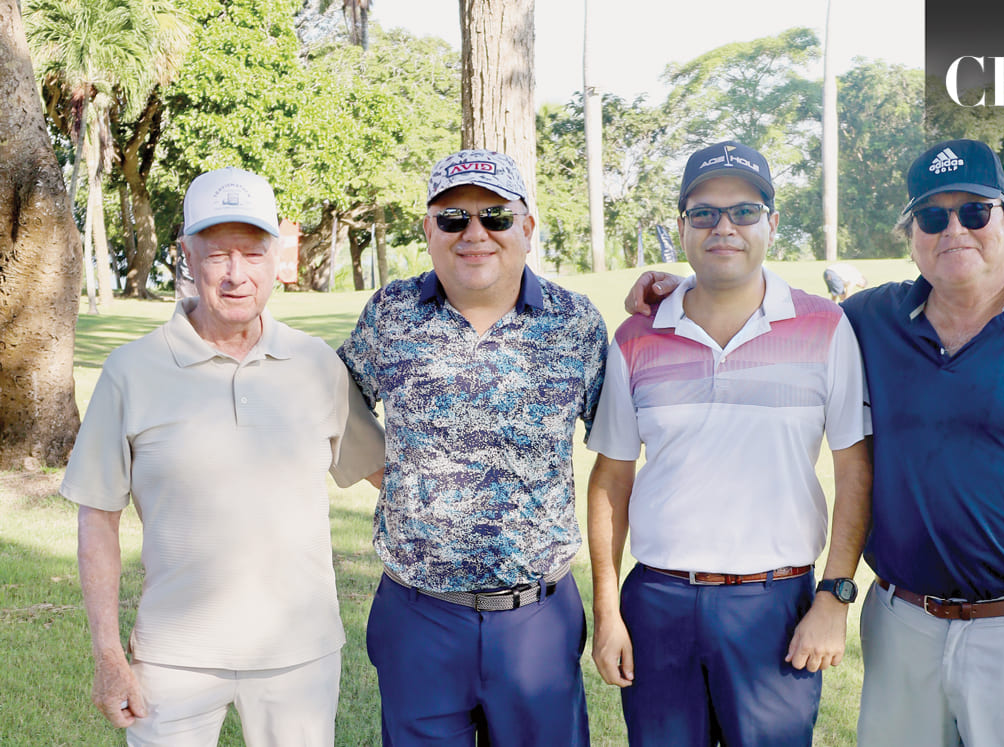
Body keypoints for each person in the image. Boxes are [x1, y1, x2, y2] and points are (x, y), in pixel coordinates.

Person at [624, 138, 1004, 746]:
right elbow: (761, 299)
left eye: (975, 212)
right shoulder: (869, 321)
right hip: (905, 624)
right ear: (912, 236)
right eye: (933, 217)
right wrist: (684, 285)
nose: (954, 229)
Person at [61, 167, 386, 746]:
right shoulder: (129, 373)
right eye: (218, 254)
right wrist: (109, 653)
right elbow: (98, 518)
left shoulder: (317, 366)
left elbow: (389, 476)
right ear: (187, 254)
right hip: (173, 658)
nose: (237, 274)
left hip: (301, 654)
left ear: (278, 255)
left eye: (253, 253)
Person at [588, 141, 873, 746]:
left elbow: (855, 470)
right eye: (705, 213)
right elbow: (611, 478)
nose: (725, 227)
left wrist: (835, 598)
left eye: (744, 212)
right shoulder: (637, 335)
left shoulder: (825, 327)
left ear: (772, 223)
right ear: (682, 227)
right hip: (658, 602)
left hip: (777, 606)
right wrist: (608, 613)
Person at [337, 149, 607, 746]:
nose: (475, 233)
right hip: (419, 613)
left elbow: (617, 449)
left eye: (496, 216)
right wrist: (400, 474)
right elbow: (332, 404)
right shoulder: (391, 314)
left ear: (527, 229)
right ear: (429, 231)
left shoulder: (577, 324)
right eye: (454, 218)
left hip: (536, 614)